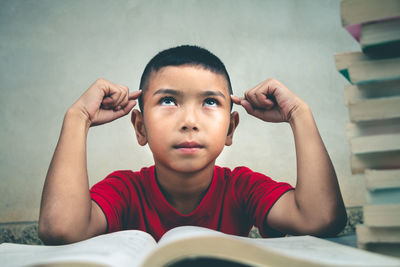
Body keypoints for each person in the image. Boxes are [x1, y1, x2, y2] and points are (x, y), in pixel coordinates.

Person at [38, 45, 347, 245]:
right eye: (168, 101)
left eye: (210, 102)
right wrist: (77, 118)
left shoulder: (241, 187)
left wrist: (299, 114)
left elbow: (321, 220)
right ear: (140, 127)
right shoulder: (126, 190)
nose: (189, 121)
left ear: (230, 128)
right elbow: (60, 229)